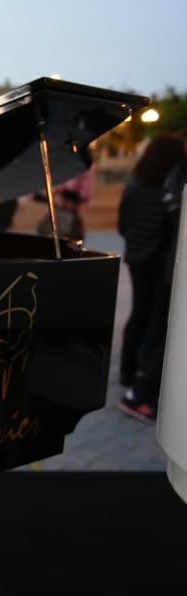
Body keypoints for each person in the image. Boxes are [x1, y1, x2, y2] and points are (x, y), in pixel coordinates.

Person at [117, 134, 187, 422]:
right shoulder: (167, 191)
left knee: (137, 315)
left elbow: (121, 225)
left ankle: (127, 371)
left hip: (135, 259)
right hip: (158, 265)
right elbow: (170, 230)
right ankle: (143, 381)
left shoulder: (133, 186)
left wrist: (137, 246)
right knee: (156, 322)